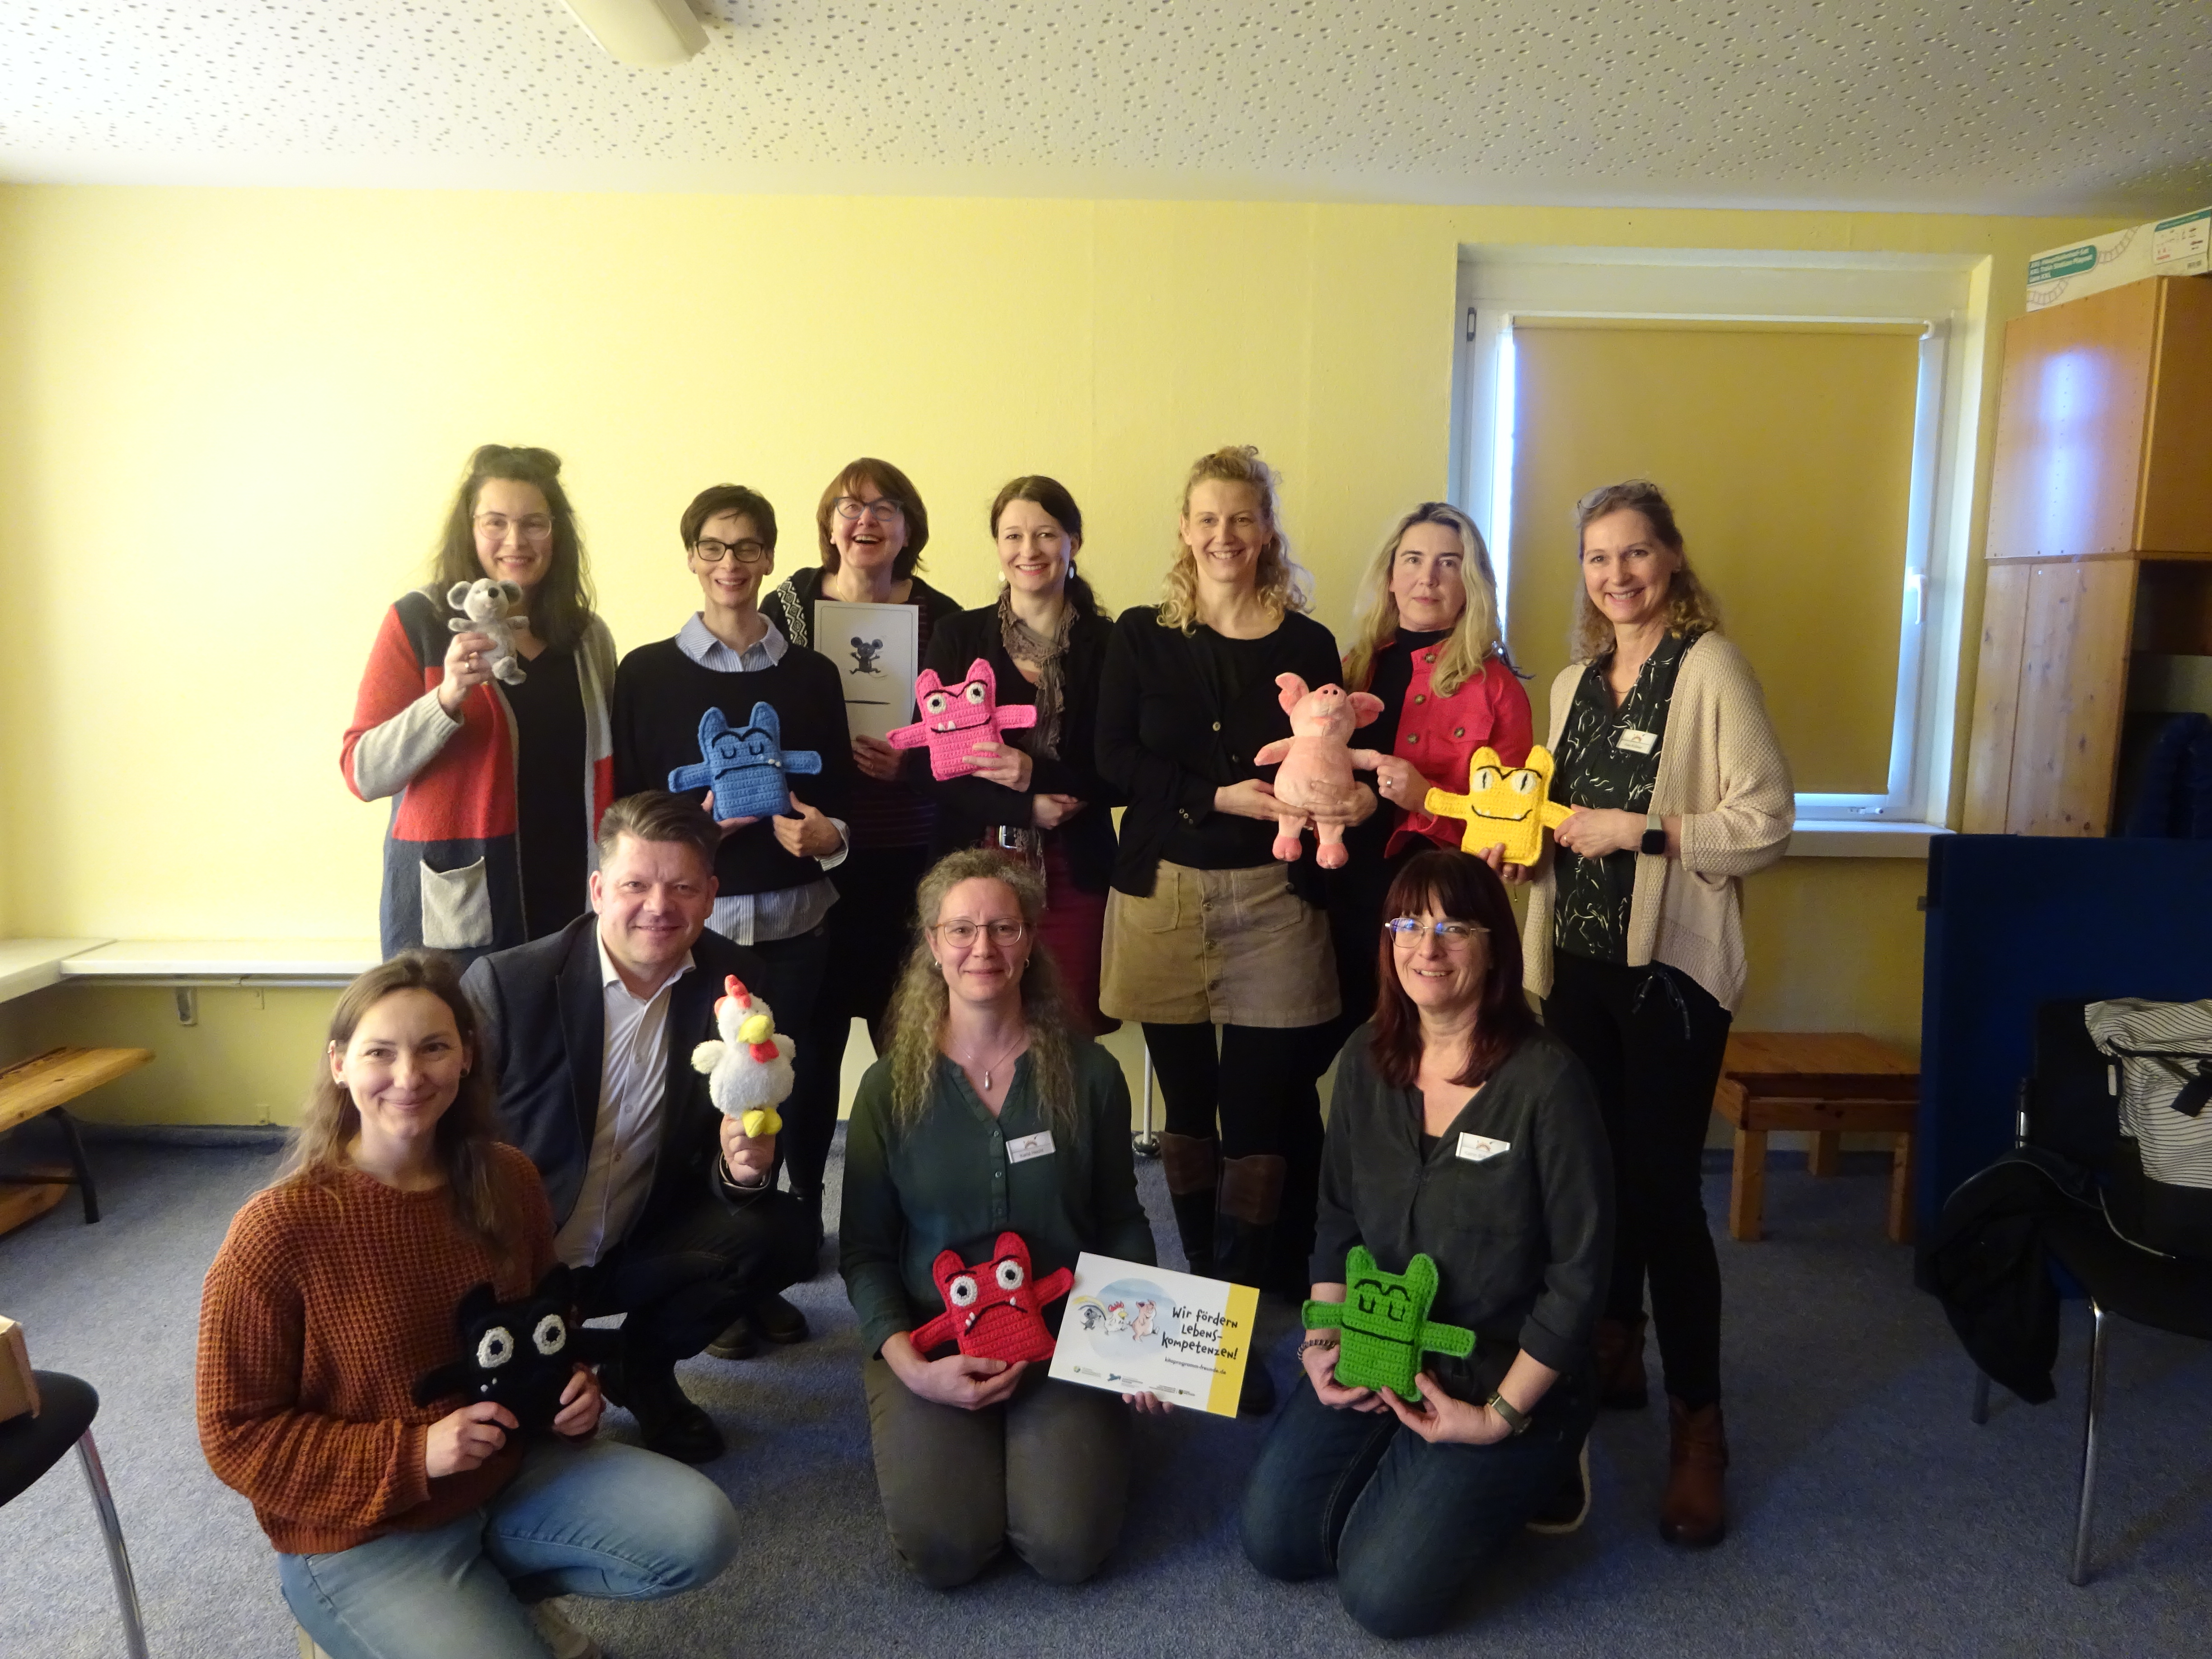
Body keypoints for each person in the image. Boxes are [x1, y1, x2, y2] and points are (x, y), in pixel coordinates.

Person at [199, 951, 740, 1659]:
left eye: (433, 1048)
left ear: (466, 1058)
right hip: (362, 1535)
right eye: (380, 1053)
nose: (409, 1076)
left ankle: (489, 1598)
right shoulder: (278, 1229)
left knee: (703, 1533)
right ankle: (355, 1624)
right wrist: (416, 1452)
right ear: (339, 1064)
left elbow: (547, 1327)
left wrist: (574, 1387)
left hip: (505, 1476)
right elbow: (235, 1434)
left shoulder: (509, 1179)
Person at [1511, 479, 1793, 1547]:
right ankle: (1614, 1345)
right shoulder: (1574, 682)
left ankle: (1698, 1428)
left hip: (1670, 969)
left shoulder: (1708, 665)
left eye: (1634, 552)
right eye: (1596, 557)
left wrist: (1643, 831)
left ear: (1671, 558)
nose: (1616, 573)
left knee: (1665, 1193)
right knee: (1590, 1177)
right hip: (1574, 965)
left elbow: (1764, 819)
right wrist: (1524, 838)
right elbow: (1557, 816)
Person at [1239, 849, 1612, 1639]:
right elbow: (1336, 1220)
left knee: (1383, 1598)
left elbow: (1580, 1275)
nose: (1426, 946)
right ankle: (1407, 1457)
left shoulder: (1548, 1083)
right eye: (1407, 924)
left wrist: (1500, 1414)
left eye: (1453, 927)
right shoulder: (1363, 1063)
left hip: (1496, 1368)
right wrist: (1321, 1342)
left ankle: (1539, 1458)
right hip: (1380, 1348)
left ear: (1494, 946)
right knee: (1276, 1542)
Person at [1095, 445, 1363, 1410]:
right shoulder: (1138, 635)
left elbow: (1333, 763)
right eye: (1207, 519)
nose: (1224, 537)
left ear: (1267, 531)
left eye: (1242, 519)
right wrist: (1217, 794)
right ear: (1183, 527)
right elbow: (1112, 758)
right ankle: (1205, 1307)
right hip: (1162, 894)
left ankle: (1237, 1314)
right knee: (1184, 1108)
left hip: (1272, 902)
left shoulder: (1309, 644)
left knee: (1259, 1115)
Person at [461, 792, 818, 1465]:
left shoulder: (736, 985)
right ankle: (540, 1350)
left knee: (784, 1232)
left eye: (682, 886)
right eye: (635, 885)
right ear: (598, 890)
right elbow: (452, 1157)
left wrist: (738, 1173)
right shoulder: (510, 987)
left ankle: (641, 1369)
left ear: (711, 895)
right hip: (513, 1258)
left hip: (633, 1241)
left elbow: (716, 1154)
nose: (659, 906)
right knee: (506, 1458)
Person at [840, 849, 1163, 1589]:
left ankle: (1063, 1447)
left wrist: (1138, 1334)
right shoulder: (888, 1088)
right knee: (946, 1551)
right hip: (934, 1333)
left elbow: (1119, 1217)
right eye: (960, 930)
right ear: (931, 945)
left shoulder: (1090, 1073)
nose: (981, 949)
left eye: (1002, 928)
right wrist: (913, 1371)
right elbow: (863, 1253)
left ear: (1029, 942)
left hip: (1066, 1328)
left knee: (1067, 1549)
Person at [612, 483, 859, 1356]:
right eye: (714, 548)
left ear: (768, 559)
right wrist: (692, 832)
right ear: (690, 557)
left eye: (748, 549)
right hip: (690, 931)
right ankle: (713, 1281)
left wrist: (831, 835)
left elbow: (843, 795)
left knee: (798, 1092)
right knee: (698, 1103)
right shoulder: (644, 672)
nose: (731, 565)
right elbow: (627, 803)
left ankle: (767, 1268)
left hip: (797, 920)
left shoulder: (812, 673)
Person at [764, 459, 965, 1181]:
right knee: (810, 1042)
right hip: (813, 851)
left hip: (910, 857)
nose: (865, 520)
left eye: (885, 507)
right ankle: (802, 1194)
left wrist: (908, 766)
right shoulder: (785, 607)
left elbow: (967, 741)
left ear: (910, 527)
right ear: (827, 524)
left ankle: (916, 1196)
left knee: (908, 1036)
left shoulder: (944, 618)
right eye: (849, 506)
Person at [343, 445, 616, 963]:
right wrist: (445, 699)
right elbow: (363, 771)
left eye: (534, 523)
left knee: (560, 1043)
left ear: (556, 533)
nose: (515, 541)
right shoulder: (417, 623)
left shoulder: (586, 638)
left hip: (572, 897)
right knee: (463, 1043)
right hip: (461, 906)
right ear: (469, 529)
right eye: (496, 522)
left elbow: (611, 768)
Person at [907, 475, 1124, 1033]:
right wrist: (1024, 809)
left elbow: (1122, 769)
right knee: (976, 1027)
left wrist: (1035, 772)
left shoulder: (1111, 644)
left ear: (1073, 541)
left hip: (1076, 871)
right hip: (971, 866)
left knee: (1068, 1029)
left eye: (1046, 534)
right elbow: (929, 763)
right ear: (998, 546)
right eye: (1013, 536)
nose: (1029, 551)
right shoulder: (960, 636)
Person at [1330, 501, 1532, 1040]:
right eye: (1414, 559)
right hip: (1339, 894)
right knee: (1315, 1057)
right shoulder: (1354, 666)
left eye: (1448, 562)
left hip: (1431, 916)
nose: (1428, 577)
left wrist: (1429, 801)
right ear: (1391, 577)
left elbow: (1508, 833)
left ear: (1471, 583)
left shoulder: (1498, 689)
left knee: (1420, 1054)